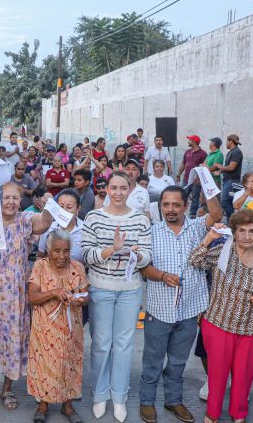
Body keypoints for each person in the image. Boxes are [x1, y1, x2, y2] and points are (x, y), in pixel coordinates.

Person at [137, 185, 222, 423]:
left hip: (189, 309)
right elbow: (144, 267)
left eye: (176, 204)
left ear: (186, 206)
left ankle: (174, 400)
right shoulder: (151, 232)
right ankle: (147, 401)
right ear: (160, 207)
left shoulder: (197, 227)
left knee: (178, 360)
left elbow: (216, 215)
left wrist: (207, 181)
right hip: (159, 309)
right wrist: (162, 276)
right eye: (166, 205)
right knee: (152, 359)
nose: (170, 209)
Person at [0, 183, 54, 416]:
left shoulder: (25, 221)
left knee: (14, 342)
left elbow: (46, 222)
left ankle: (7, 388)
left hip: (16, 299)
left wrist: (48, 204)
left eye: (15, 198)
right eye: (5, 197)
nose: (10, 202)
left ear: (20, 200)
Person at [189, 213, 253, 423]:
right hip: (220, 322)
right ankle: (212, 413)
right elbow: (195, 260)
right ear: (234, 232)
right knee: (217, 374)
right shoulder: (222, 251)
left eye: (252, 231)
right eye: (242, 231)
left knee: (244, 376)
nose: (247, 236)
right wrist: (209, 237)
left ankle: (239, 413)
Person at [82, 171, 152, 422]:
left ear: (131, 189)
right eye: (114, 188)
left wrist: (136, 254)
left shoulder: (141, 220)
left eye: (124, 188)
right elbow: (87, 254)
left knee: (124, 344)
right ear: (106, 189)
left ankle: (119, 396)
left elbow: (147, 254)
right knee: (101, 343)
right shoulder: (94, 217)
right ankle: (99, 394)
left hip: (130, 289)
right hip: (100, 287)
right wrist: (113, 249)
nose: (119, 192)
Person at [28, 229, 89, 423]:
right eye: (56, 251)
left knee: (70, 364)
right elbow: (32, 297)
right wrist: (54, 292)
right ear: (48, 249)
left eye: (66, 251)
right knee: (44, 365)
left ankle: (67, 406)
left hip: (71, 328)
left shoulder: (78, 267)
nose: (62, 256)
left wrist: (79, 300)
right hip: (44, 327)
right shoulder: (40, 266)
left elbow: (87, 296)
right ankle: (43, 405)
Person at [37, 189, 85, 263]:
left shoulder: (85, 229)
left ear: (78, 209)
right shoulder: (49, 227)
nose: (64, 210)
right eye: (61, 206)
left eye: (69, 207)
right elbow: (40, 255)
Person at [211, 135, 243, 218]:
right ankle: (231, 222)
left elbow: (232, 167)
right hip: (227, 180)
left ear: (231, 141)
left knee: (225, 201)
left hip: (232, 181)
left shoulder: (236, 152)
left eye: (227, 141)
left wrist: (219, 166)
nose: (226, 143)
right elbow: (228, 166)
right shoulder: (231, 152)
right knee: (228, 202)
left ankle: (233, 220)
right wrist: (220, 171)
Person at [177, 135, 207, 218]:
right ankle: (180, 213)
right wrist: (179, 174)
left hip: (196, 181)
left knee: (195, 198)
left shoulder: (203, 154)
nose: (188, 141)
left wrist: (199, 178)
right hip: (186, 179)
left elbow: (204, 167)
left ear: (194, 141)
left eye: (189, 140)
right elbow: (183, 163)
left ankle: (192, 215)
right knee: (182, 196)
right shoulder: (187, 152)